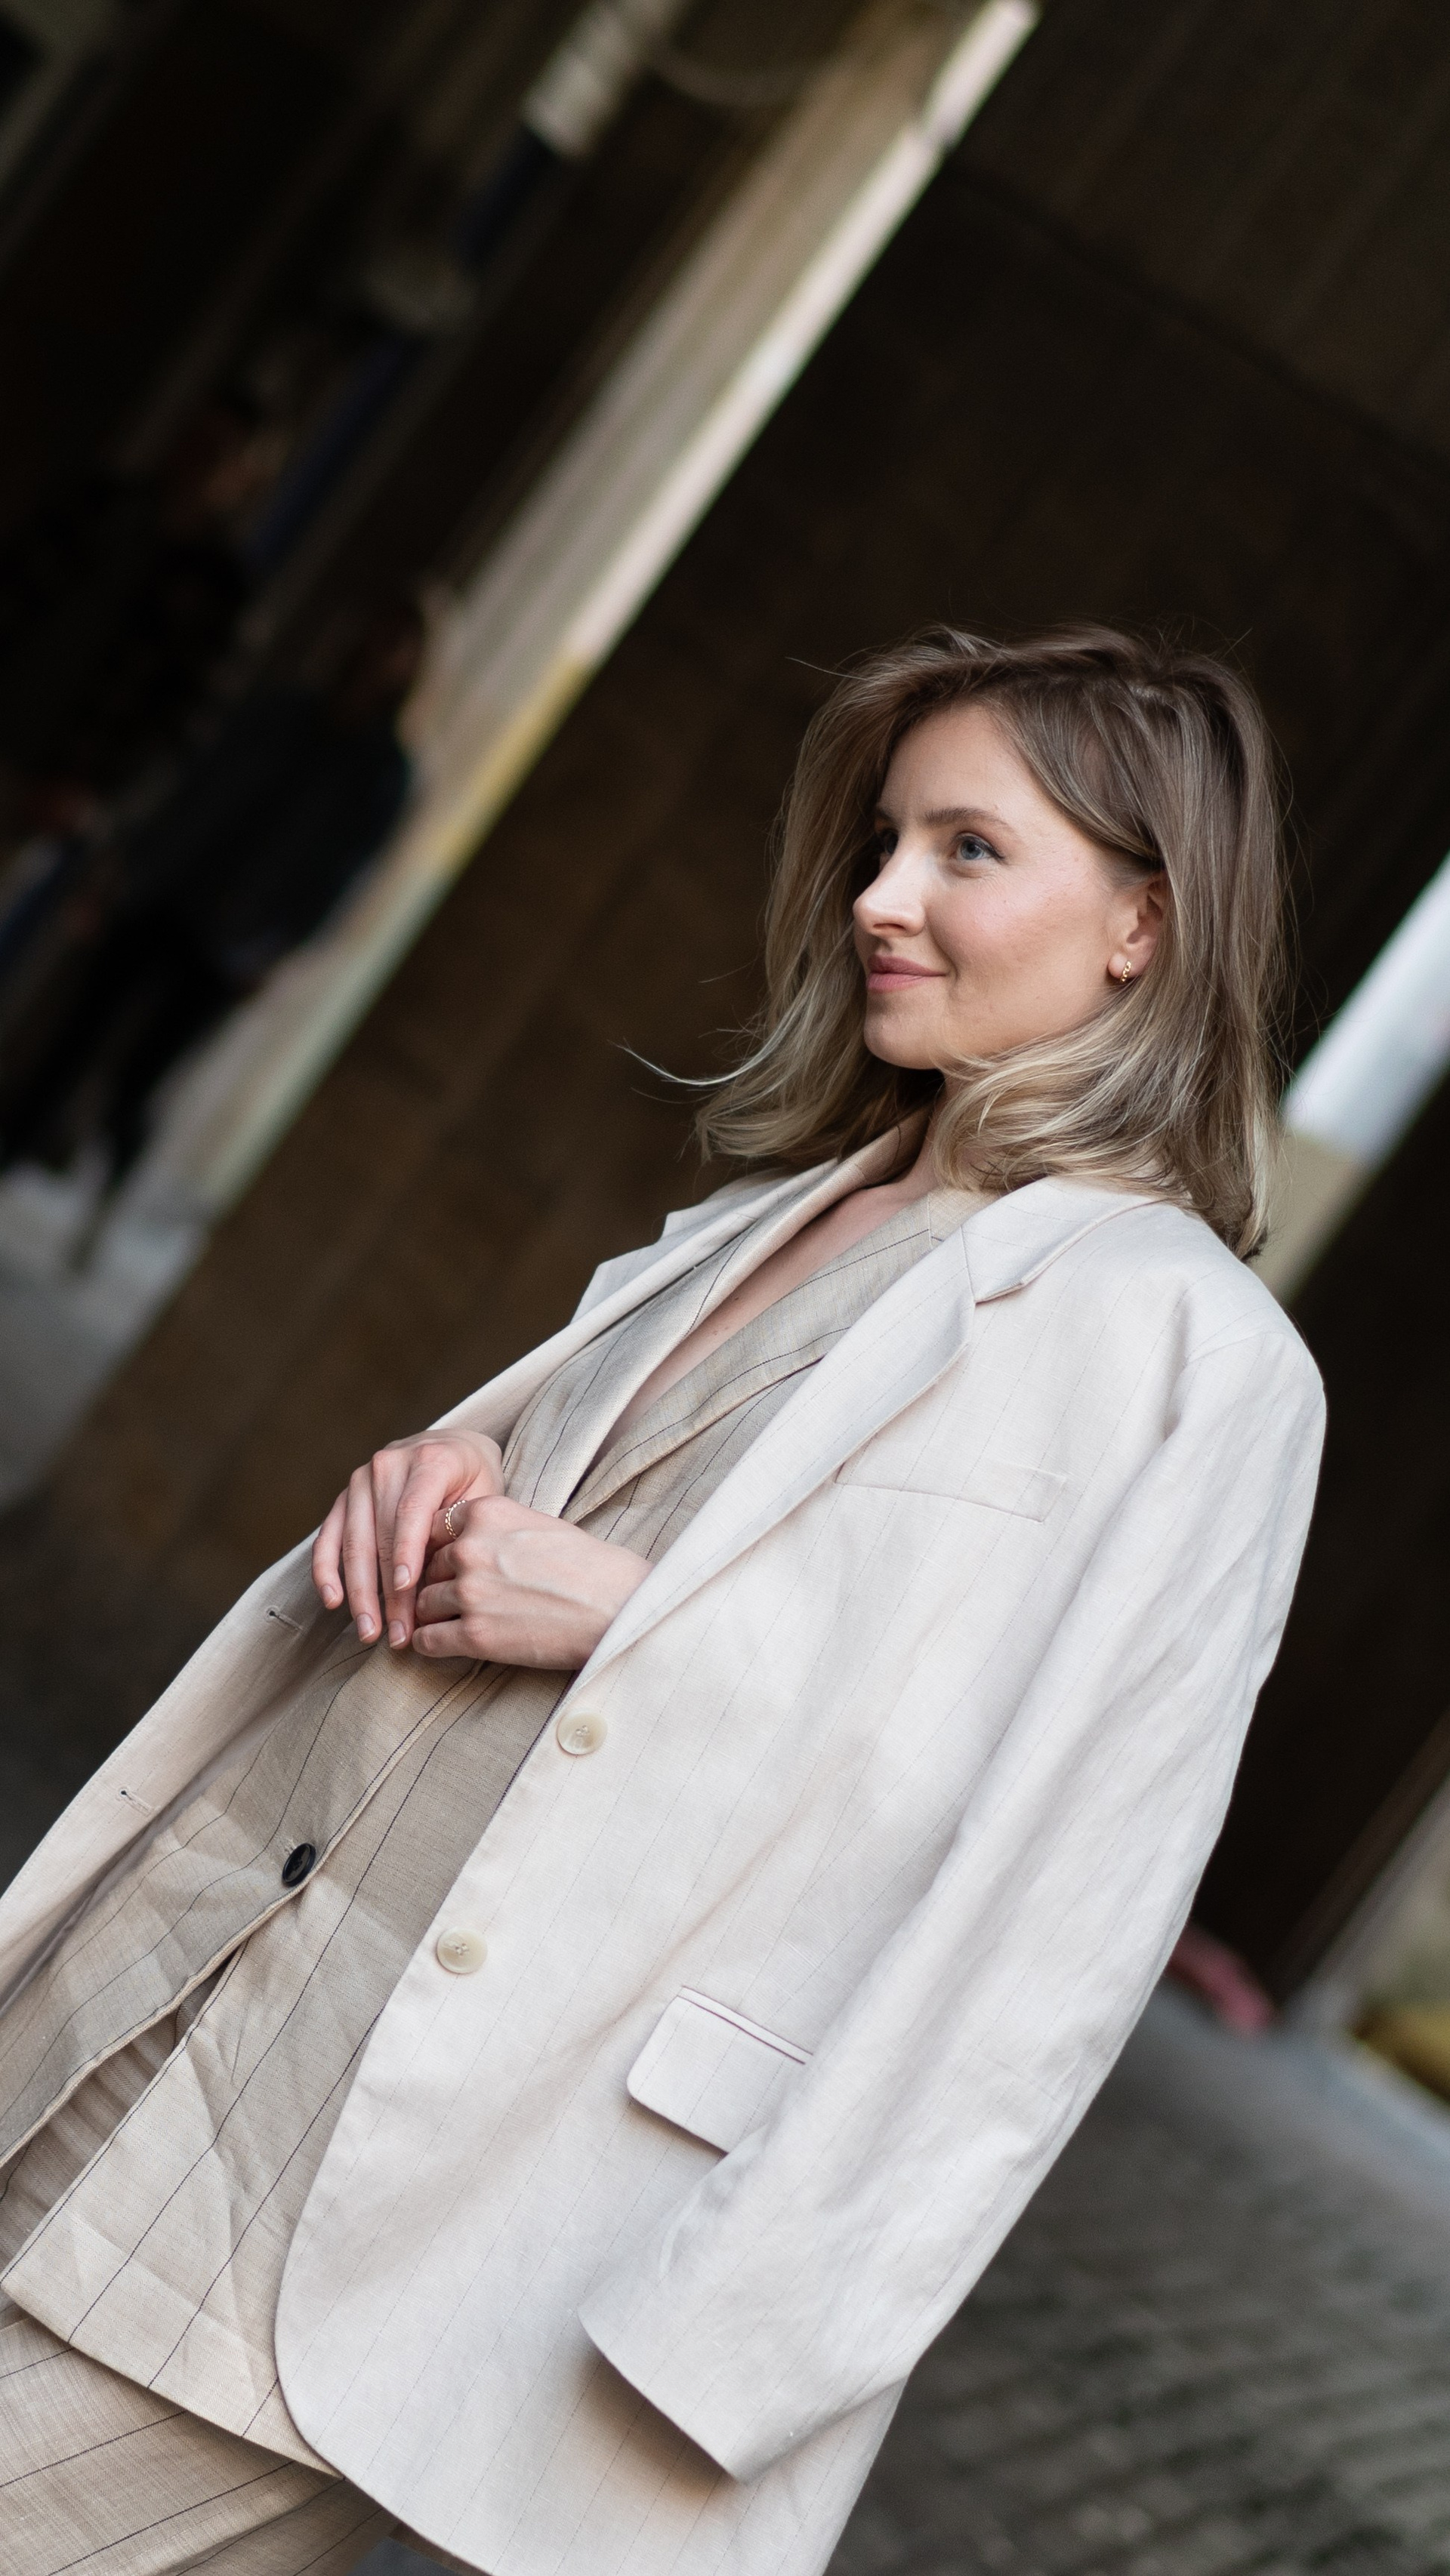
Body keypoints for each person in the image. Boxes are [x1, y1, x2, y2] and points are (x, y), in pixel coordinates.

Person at [0, 626, 1325, 2576]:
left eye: (968, 849)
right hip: (162, 1990)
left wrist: (642, 1612)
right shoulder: (779, 1207)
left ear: (1146, 922)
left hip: (402, 2179)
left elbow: (1060, 1900)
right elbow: (603, 1539)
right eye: (887, 839)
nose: (880, 897)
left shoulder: (1192, 1361)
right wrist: (447, 1473)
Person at [0, 599, 425, 1191]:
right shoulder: (282, 710)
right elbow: (195, 785)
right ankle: (15, 1148)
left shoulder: (383, 772)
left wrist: (280, 949)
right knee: (79, 1035)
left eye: (399, 643)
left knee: (141, 1078)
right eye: (380, 631)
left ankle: (113, 1176)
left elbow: (345, 877)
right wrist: (127, 865)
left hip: (236, 935)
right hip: (172, 887)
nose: (381, 651)